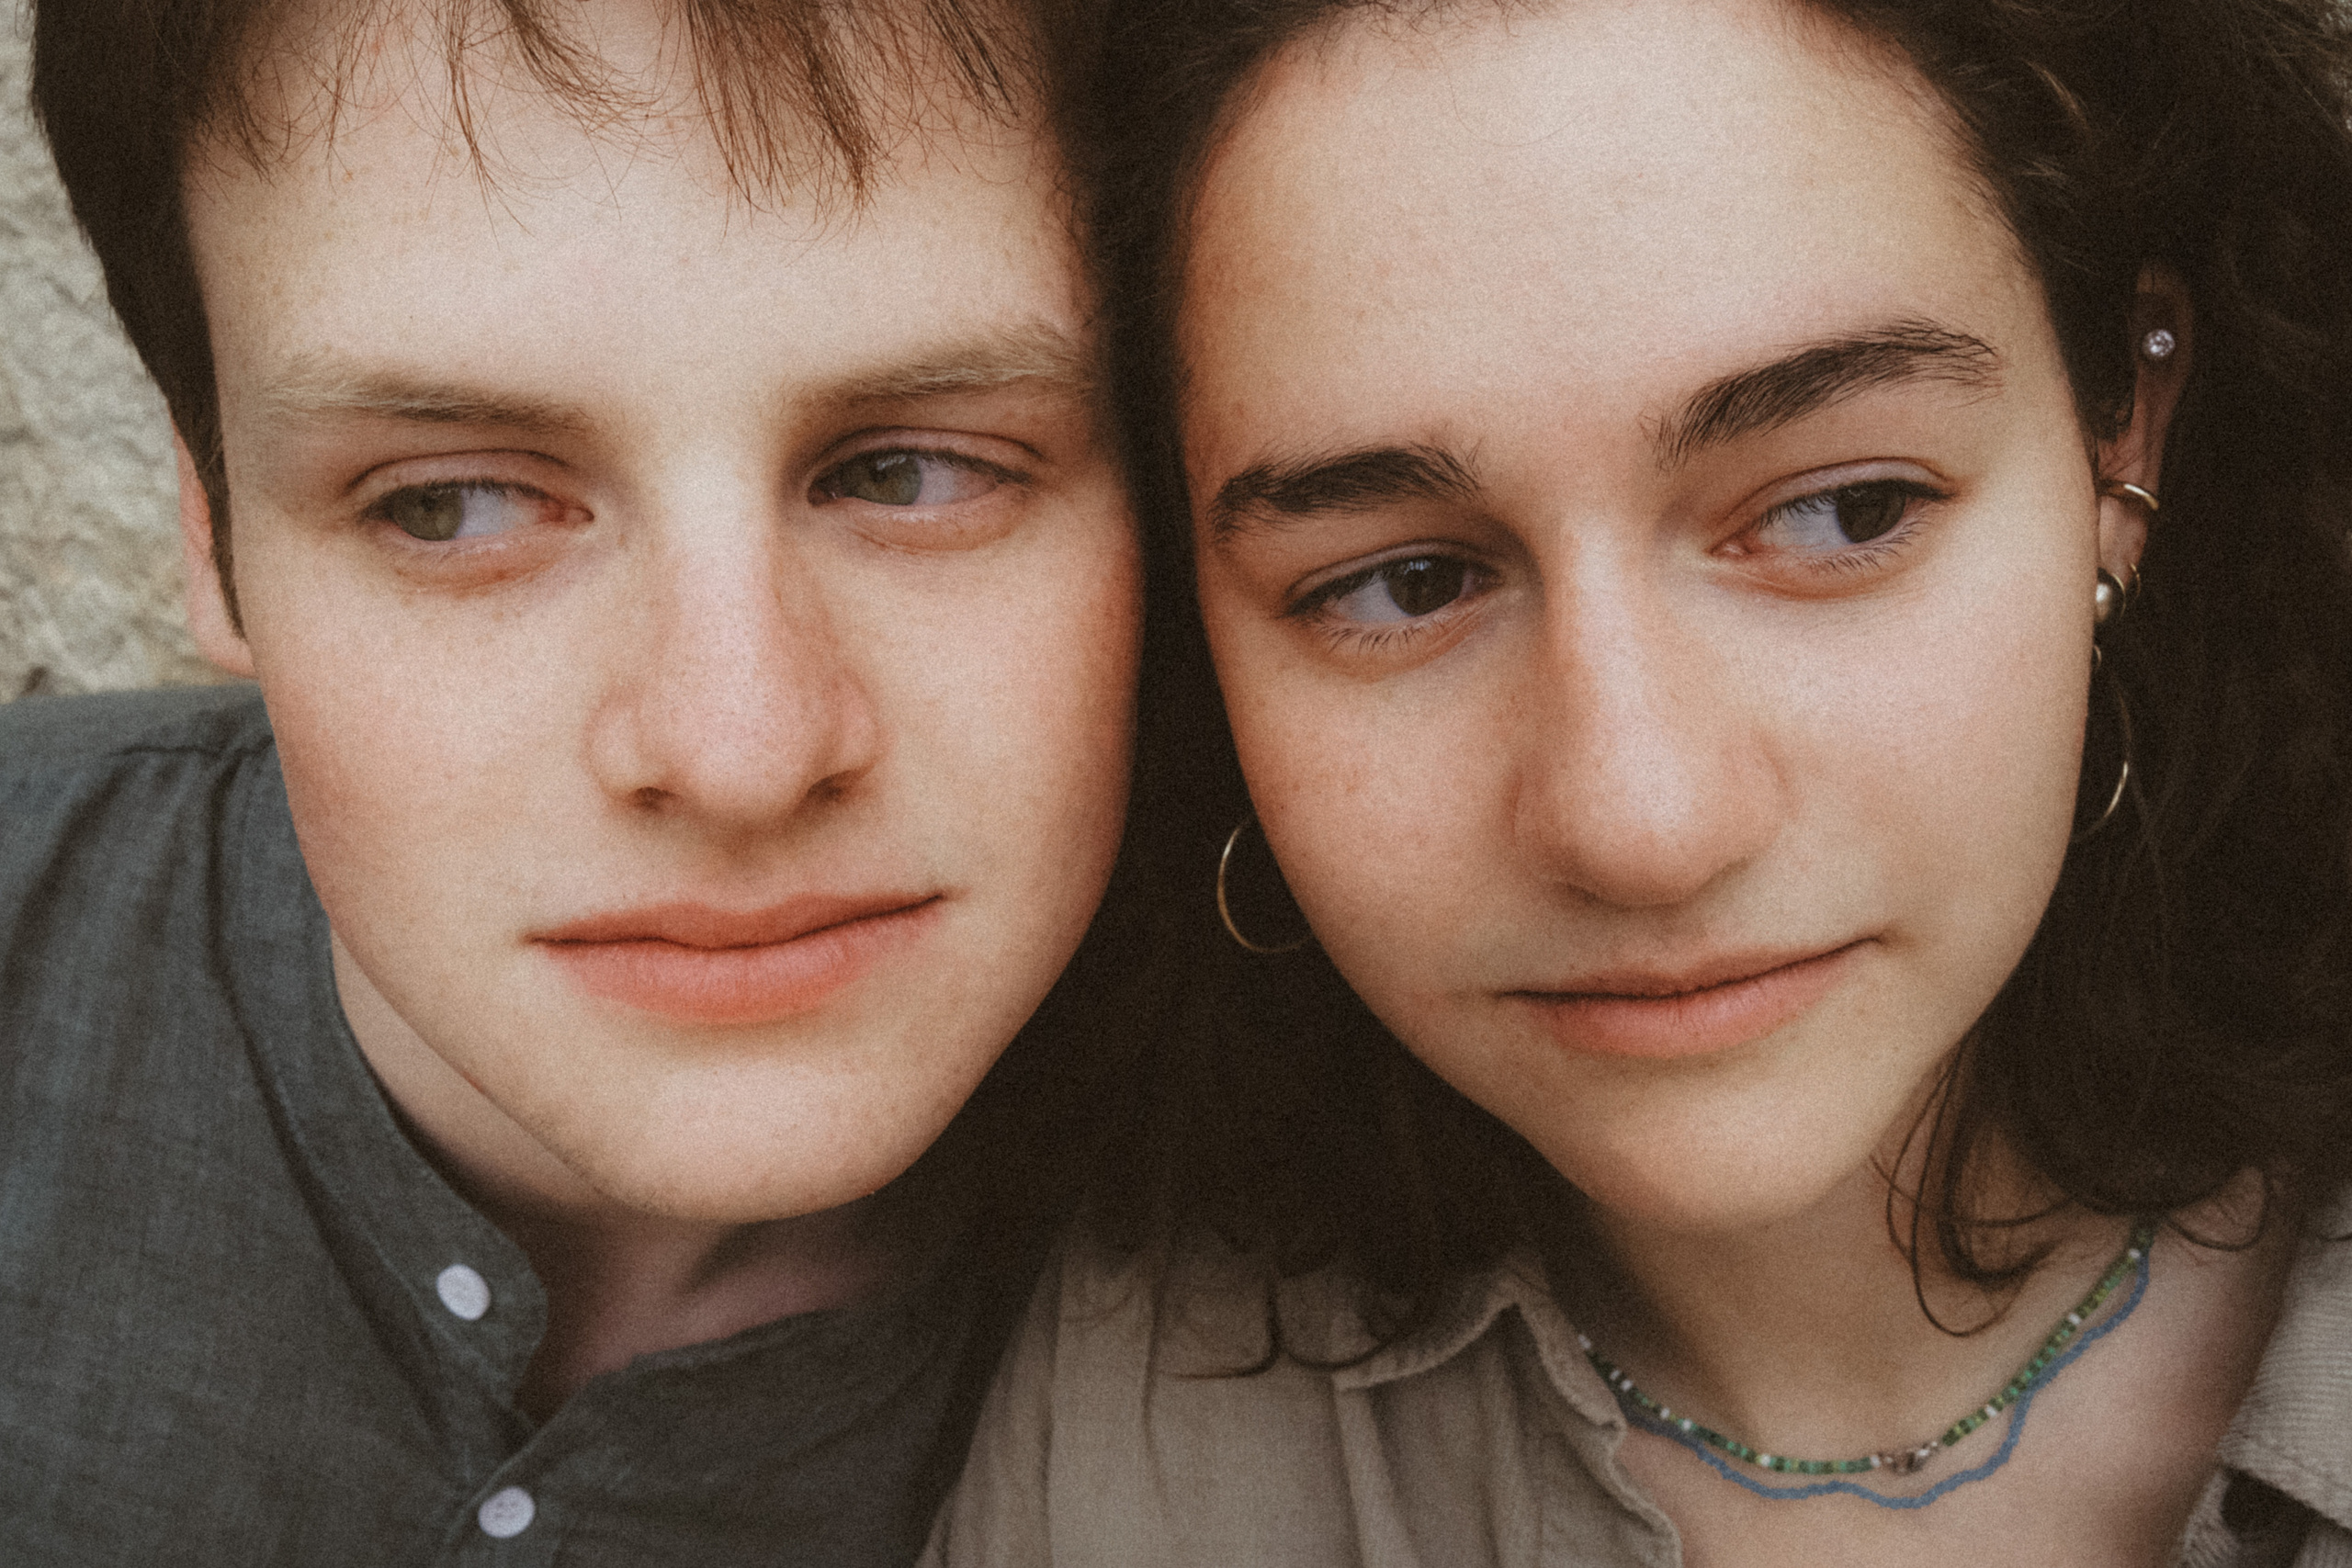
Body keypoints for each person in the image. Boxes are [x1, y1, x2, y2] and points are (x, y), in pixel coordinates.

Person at [927, 0, 2352, 1562]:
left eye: (1840, 509)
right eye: (1401, 588)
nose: (1642, 824)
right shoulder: (1131, 1446)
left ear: (2121, 431)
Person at [1, 0, 1156, 1560]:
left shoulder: (1381, 1292)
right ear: (211, 534)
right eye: (457, 504)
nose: (737, 751)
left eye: (911, 471)